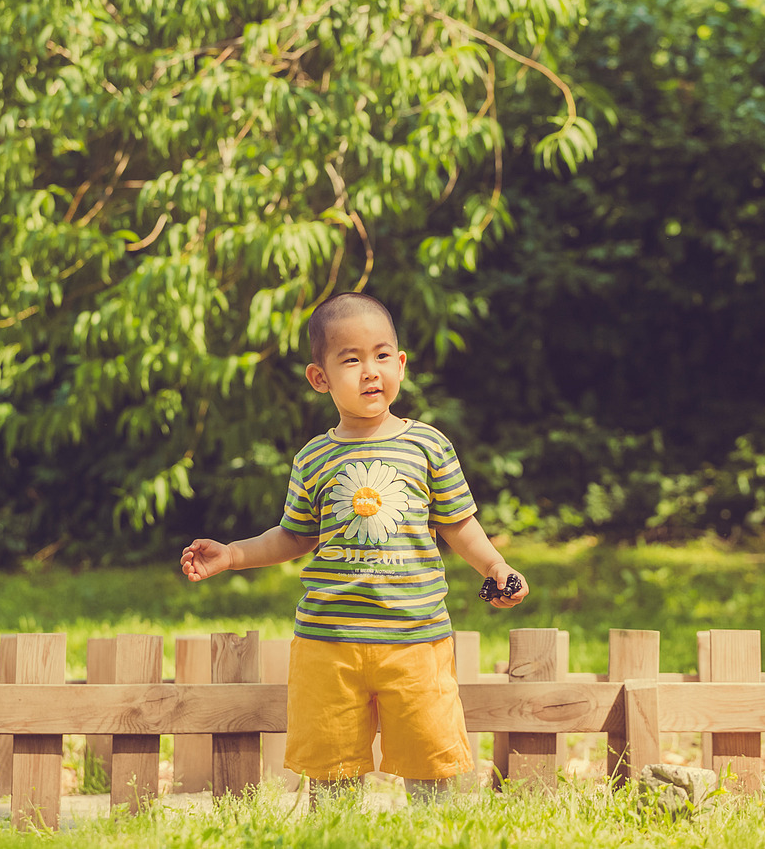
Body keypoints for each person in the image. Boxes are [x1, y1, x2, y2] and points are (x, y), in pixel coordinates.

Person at [180, 291, 528, 802]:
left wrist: (495, 566)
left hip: (416, 638)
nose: (370, 372)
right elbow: (294, 535)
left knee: (433, 759)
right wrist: (233, 554)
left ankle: (441, 833)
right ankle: (333, 830)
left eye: (382, 355)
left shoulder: (428, 446)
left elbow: (459, 524)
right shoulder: (314, 458)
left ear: (400, 364)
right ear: (319, 378)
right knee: (331, 767)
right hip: (329, 641)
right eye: (351, 360)